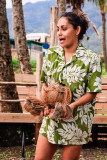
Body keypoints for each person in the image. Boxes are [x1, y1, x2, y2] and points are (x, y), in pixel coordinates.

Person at [35, 12, 102, 160]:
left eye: (64, 29)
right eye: (58, 29)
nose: (59, 33)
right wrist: (45, 101)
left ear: (77, 30)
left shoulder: (91, 59)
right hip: (52, 120)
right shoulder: (51, 54)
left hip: (76, 122)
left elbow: (92, 92)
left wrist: (72, 106)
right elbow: (45, 83)